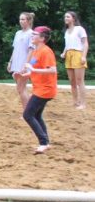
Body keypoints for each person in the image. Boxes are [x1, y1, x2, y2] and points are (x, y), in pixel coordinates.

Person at [20, 26, 58, 154]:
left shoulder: (46, 51)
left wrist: (34, 70)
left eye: (35, 34)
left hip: (45, 90)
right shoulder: (37, 51)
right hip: (40, 88)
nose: (32, 36)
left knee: (27, 115)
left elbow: (52, 70)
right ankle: (45, 142)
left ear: (42, 38)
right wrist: (29, 74)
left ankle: (43, 142)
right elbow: (37, 68)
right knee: (36, 115)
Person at [7, 12, 36, 109]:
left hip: (23, 63)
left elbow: (31, 50)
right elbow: (15, 49)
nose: (21, 21)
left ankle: (27, 111)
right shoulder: (18, 33)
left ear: (29, 21)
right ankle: (28, 109)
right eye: (20, 19)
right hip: (16, 62)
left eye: (23, 19)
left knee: (21, 88)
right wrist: (10, 62)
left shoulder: (31, 34)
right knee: (21, 88)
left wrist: (26, 64)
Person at [61, 11, 88, 110]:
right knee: (72, 81)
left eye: (68, 17)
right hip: (69, 55)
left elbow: (85, 43)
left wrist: (83, 56)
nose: (66, 18)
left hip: (78, 53)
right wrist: (64, 53)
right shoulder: (67, 31)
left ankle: (83, 103)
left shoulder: (79, 29)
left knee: (79, 80)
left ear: (73, 18)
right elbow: (67, 45)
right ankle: (75, 102)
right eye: (65, 17)